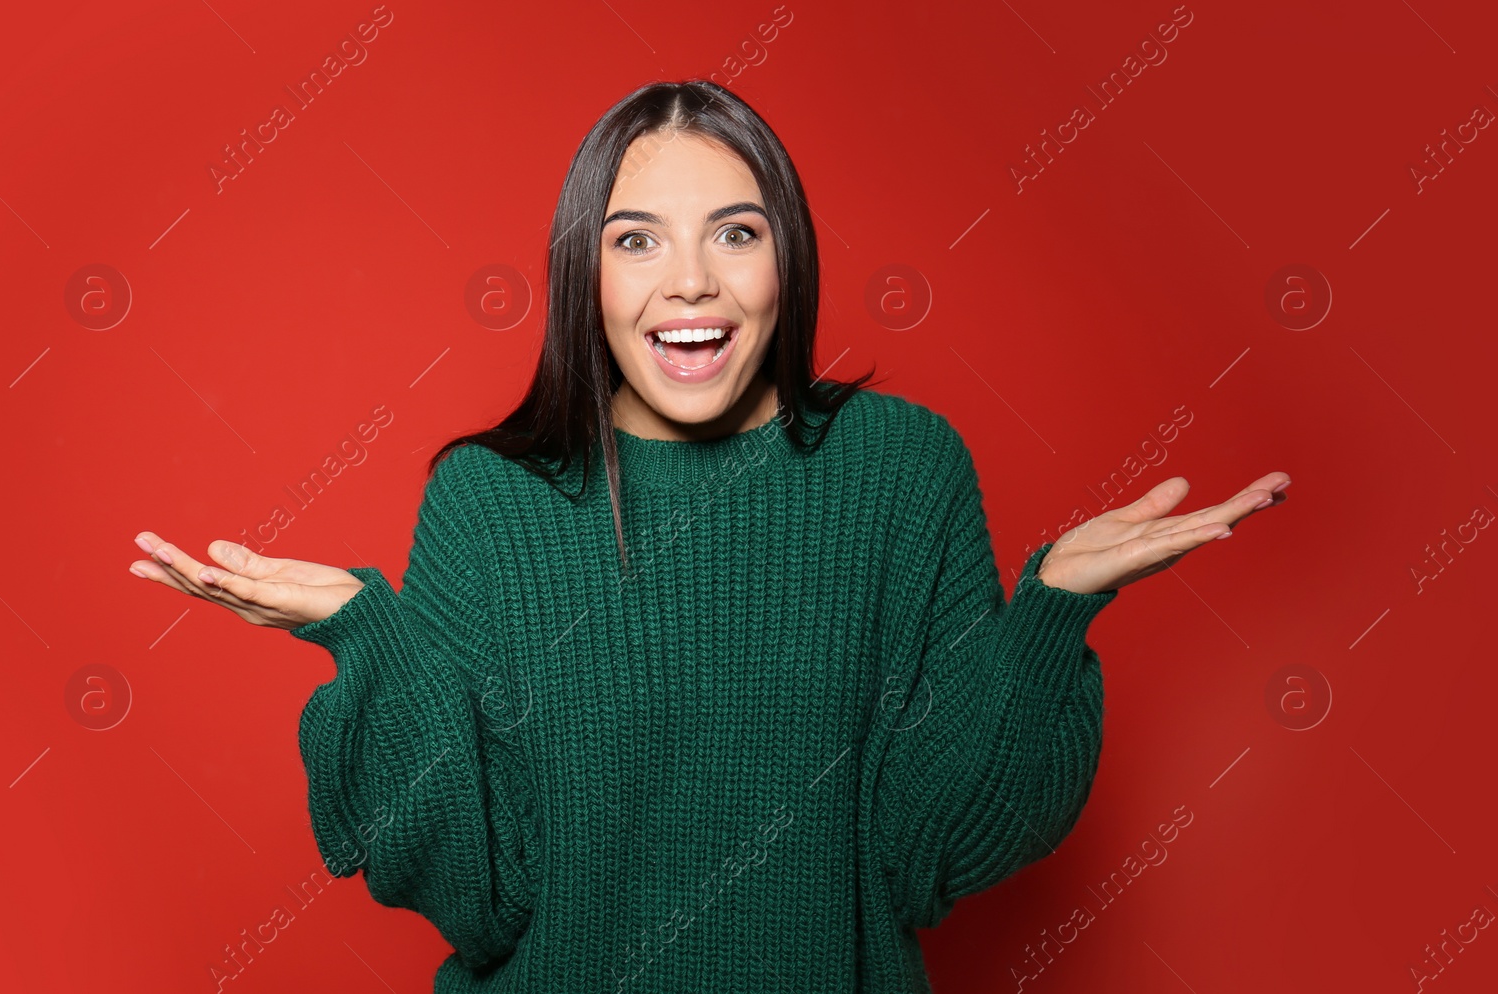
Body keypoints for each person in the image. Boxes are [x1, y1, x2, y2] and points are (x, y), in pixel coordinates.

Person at [128, 79, 1288, 993]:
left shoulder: (900, 468)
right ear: (584, 270)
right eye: (635, 240)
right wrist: (365, 641)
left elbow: (926, 850)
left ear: (789, 255)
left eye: (735, 233)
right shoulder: (488, 500)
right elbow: (482, 895)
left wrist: (1049, 614)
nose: (689, 283)